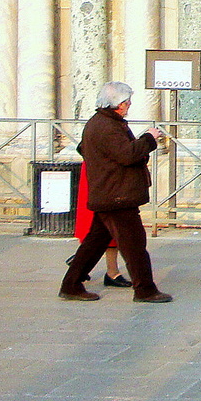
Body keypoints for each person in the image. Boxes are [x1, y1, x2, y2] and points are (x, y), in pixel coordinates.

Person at [59, 81, 172, 303]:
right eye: (127, 101)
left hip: (110, 192)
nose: (129, 105)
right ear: (118, 104)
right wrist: (149, 138)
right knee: (134, 245)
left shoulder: (102, 123)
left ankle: (71, 284)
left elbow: (94, 149)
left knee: (94, 243)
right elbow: (127, 155)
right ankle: (145, 289)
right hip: (116, 195)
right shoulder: (107, 126)